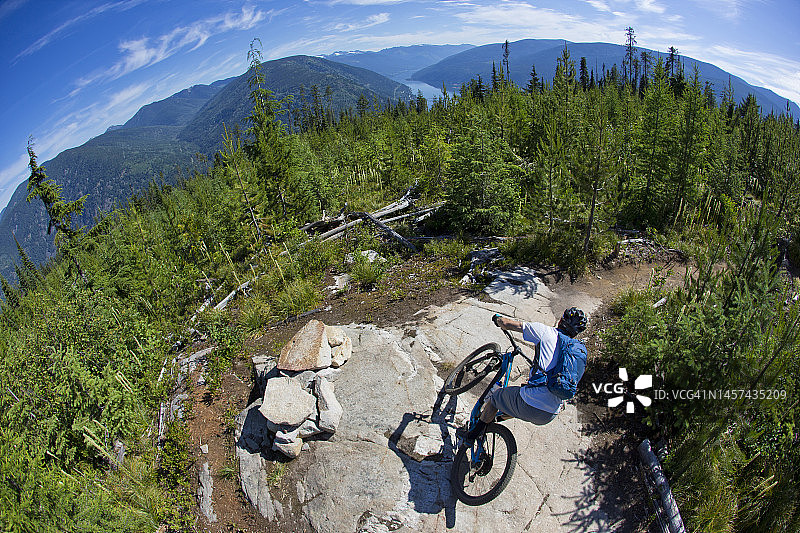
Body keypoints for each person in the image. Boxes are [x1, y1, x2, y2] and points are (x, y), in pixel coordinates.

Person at [464, 307, 588, 442]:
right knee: (520, 394)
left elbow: (506, 324)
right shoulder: (577, 353)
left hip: (530, 403)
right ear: (576, 333)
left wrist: (497, 318)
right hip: (549, 414)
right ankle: (494, 419)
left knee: (496, 398)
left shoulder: (546, 332)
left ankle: (470, 436)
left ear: (560, 321)